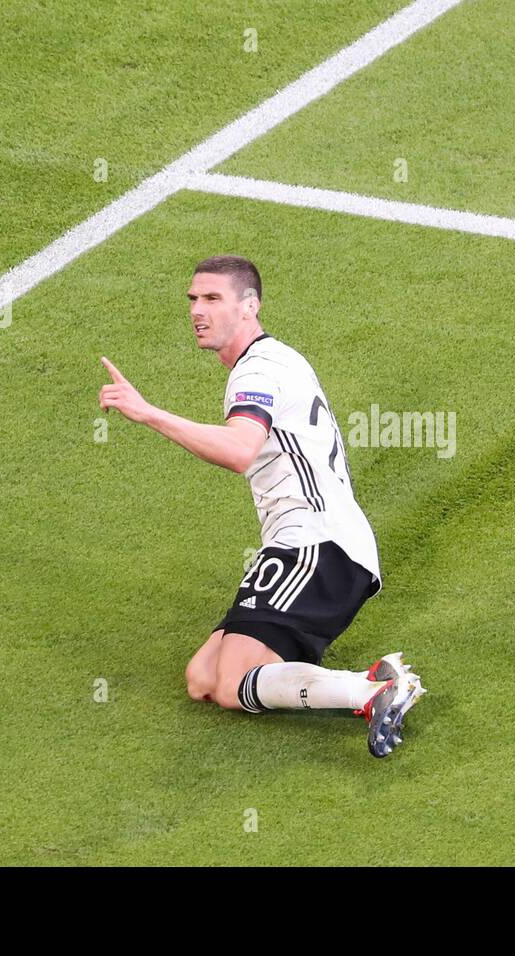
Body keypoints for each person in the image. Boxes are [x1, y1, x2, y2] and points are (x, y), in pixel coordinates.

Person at [97, 255, 424, 757]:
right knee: (203, 678)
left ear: (249, 307)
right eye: (193, 299)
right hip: (303, 545)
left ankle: (373, 691)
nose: (197, 311)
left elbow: (238, 450)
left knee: (231, 683)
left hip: (318, 546)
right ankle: (364, 683)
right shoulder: (272, 361)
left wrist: (147, 413)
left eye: (212, 299)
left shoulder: (261, 368)